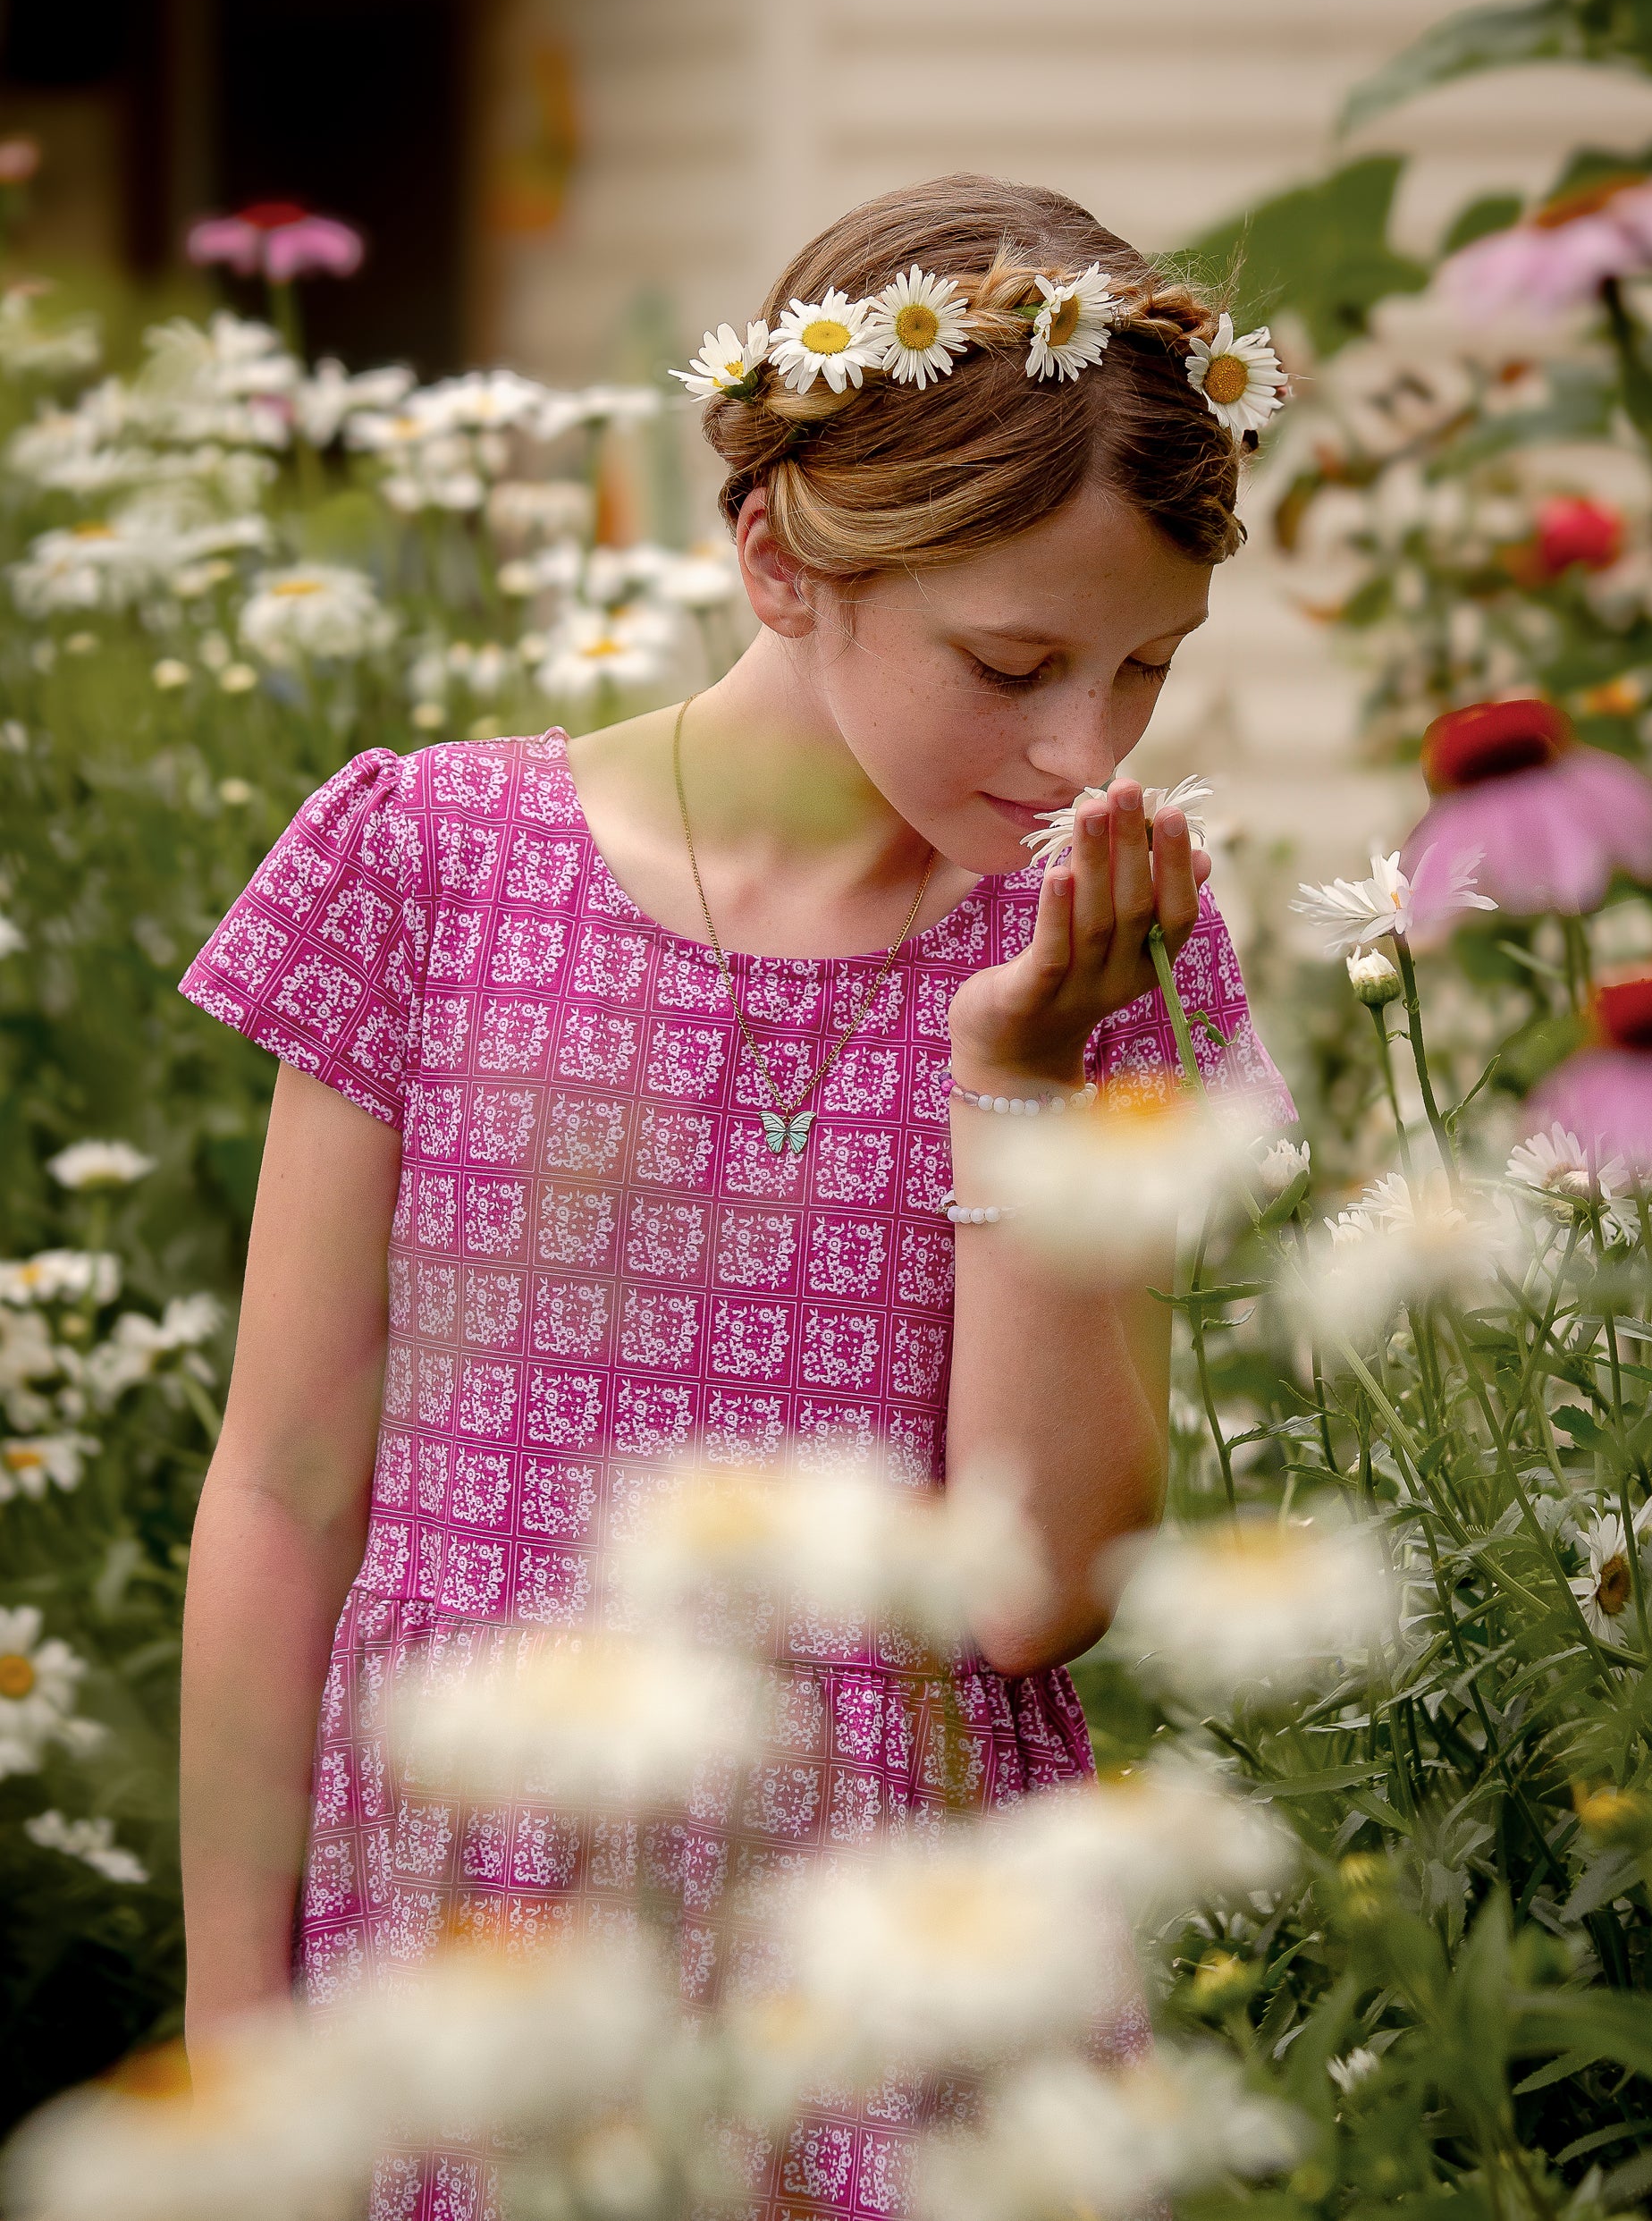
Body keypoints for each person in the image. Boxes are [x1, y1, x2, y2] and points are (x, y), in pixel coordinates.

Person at [176, 173, 1293, 2219]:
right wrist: (240, 2040)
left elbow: (1039, 1586)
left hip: (891, 1970)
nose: (1084, 751)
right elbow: (284, 1483)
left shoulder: (1106, 954)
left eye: (1146, 672)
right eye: (1017, 659)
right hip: (460, 1941)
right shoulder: (428, 860)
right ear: (781, 559)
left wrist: (1021, 1080)